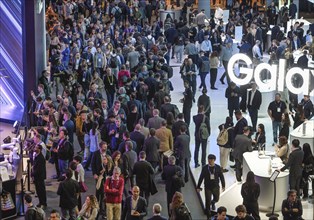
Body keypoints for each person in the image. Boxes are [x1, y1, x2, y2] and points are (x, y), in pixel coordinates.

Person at [196, 154, 225, 218]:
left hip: (216, 187)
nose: (209, 161)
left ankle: (213, 202)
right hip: (207, 187)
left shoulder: (218, 167)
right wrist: (198, 186)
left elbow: (222, 177)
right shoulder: (205, 168)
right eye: (209, 159)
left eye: (211, 160)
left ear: (214, 160)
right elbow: (201, 177)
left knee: (217, 199)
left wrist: (223, 185)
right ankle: (208, 215)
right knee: (207, 201)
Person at [31, 144, 47, 209]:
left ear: (39, 149)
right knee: (38, 191)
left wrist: (33, 174)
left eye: (36, 148)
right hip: (37, 177)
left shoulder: (41, 158)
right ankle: (40, 202)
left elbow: (39, 170)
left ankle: (44, 203)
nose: (35, 148)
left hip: (40, 177)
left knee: (41, 191)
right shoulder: (37, 156)